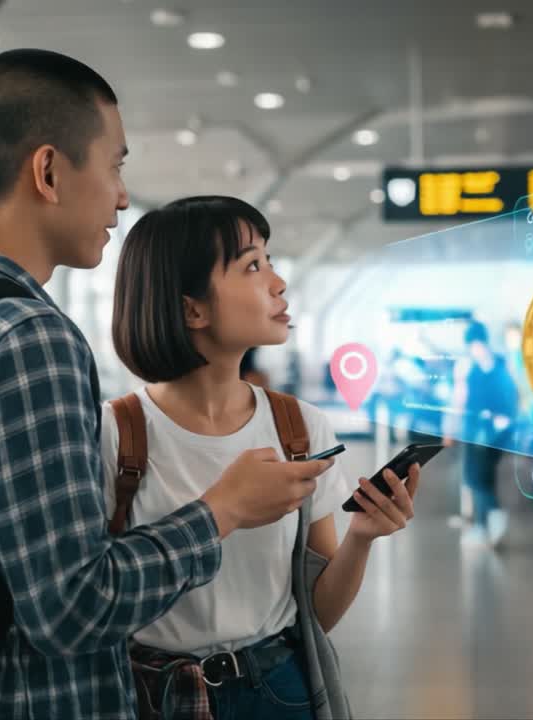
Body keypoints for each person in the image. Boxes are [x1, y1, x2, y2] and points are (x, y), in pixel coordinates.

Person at [0, 50, 333, 719]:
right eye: (115, 165)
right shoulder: (26, 338)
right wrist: (221, 512)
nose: (122, 195)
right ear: (50, 171)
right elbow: (70, 610)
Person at [105, 195, 423, 719]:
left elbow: (316, 610)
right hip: (152, 697)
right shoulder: (114, 435)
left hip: (279, 689)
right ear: (192, 308)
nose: (277, 283)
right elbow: (92, 597)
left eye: (271, 262)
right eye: (253, 265)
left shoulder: (298, 427)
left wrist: (362, 538)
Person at [445, 321, 519, 549]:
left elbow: (459, 400)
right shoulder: (502, 363)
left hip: (476, 431)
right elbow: (514, 395)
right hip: (500, 431)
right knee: (484, 478)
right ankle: (483, 526)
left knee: (474, 478)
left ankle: (491, 520)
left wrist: (450, 429)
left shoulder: (468, 366)